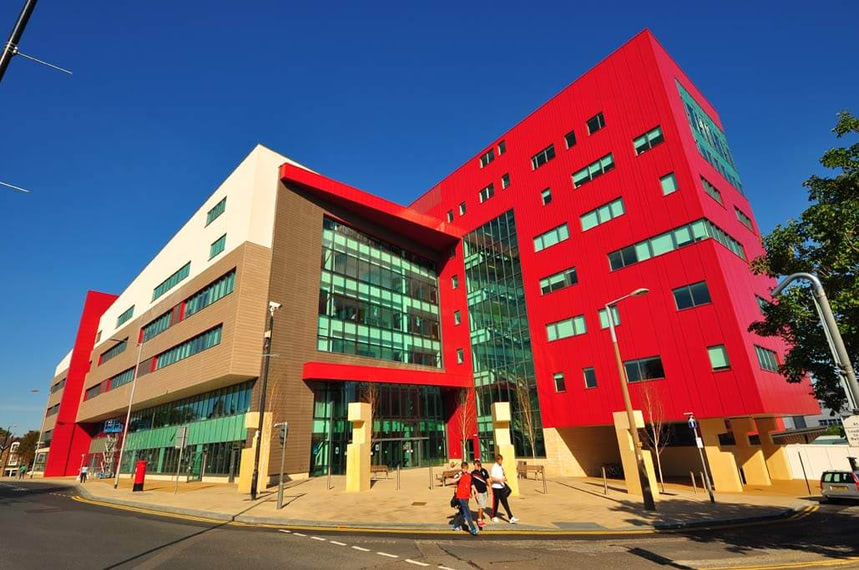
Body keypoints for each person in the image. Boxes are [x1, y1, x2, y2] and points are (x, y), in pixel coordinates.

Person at [490, 454, 518, 523]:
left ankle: (511, 517)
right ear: (497, 460)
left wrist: (504, 475)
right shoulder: (494, 467)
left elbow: (502, 474)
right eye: (500, 460)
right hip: (496, 487)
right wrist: (500, 480)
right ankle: (493, 516)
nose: (501, 462)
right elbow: (492, 478)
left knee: (505, 502)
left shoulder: (501, 466)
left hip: (501, 486)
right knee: (496, 502)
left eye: (502, 460)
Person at [452, 461, 479, 536]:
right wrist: (458, 478)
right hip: (461, 496)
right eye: (463, 469)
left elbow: (472, 485)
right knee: (468, 513)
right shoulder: (459, 474)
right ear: (461, 468)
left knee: (462, 513)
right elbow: (451, 481)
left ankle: (456, 526)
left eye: (466, 469)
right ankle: (473, 529)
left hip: (467, 496)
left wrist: (476, 492)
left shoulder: (469, 475)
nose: (465, 470)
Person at [470, 460, 490, 528]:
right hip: (478, 493)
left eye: (475, 465)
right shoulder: (473, 473)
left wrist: (490, 488)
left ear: (479, 465)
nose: (474, 467)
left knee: (483, 506)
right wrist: (474, 492)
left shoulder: (484, 471)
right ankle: (479, 520)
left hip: (484, 491)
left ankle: (480, 518)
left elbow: (487, 480)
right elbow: (471, 484)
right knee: (480, 506)